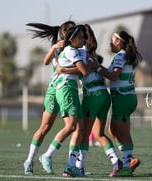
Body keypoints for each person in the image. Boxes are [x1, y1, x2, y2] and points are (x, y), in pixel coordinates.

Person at [23, 21, 76, 175]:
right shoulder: (61, 46)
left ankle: (52, 158)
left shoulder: (74, 47)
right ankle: (30, 160)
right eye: (73, 30)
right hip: (55, 89)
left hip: (63, 88)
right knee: (45, 127)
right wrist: (54, 47)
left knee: (72, 126)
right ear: (65, 33)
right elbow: (46, 61)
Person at [72, 24, 123, 177]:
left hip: (92, 96)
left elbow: (80, 71)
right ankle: (116, 161)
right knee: (98, 134)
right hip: (104, 95)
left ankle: (79, 167)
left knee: (84, 134)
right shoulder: (92, 53)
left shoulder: (79, 53)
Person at [93, 31, 142, 176]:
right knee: (112, 131)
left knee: (124, 134)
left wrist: (97, 67)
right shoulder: (126, 55)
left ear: (119, 42)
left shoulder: (121, 55)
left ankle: (126, 167)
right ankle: (129, 160)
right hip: (127, 98)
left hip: (122, 98)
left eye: (113, 40)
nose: (110, 42)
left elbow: (114, 75)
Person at [49, 25, 93, 177]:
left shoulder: (75, 50)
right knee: (71, 126)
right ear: (72, 39)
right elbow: (85, 71)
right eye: (80, 37)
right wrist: (89, 65)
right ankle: (48, 155)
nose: (83, 40)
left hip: (72, 89)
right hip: (66, 89)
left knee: (80, 129)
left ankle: (70, 166)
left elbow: (81, 72)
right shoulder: (70, 50)